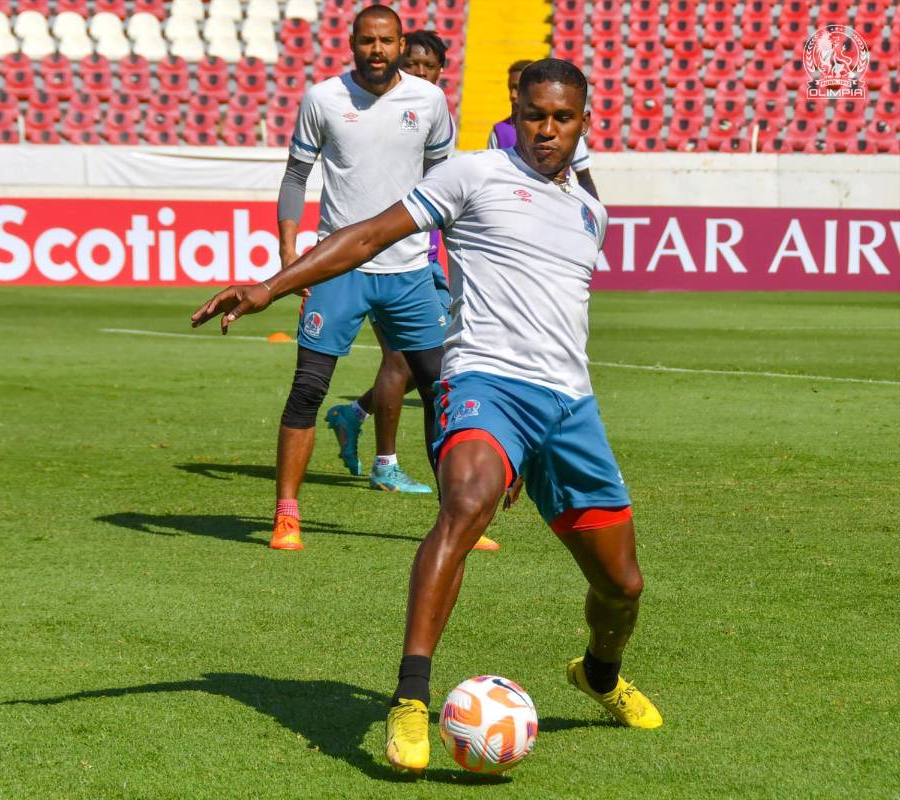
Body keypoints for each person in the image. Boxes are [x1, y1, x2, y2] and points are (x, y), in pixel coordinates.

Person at [191, 58, 662, 772]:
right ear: (518, 112)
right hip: (487, 384)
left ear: (584, 123)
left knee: (621, 586)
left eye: (563, 118)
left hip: (570, 406)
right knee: (466, 501)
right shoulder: (472, 175)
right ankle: (411, 699)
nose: (547, 130)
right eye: (535, 115)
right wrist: (269, 285)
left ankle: (597, 673)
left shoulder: (589, 214)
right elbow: (369, 235)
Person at [266, 6, 454, 551]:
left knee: (441, 391)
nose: (377, 50)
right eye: (367, 40)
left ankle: (455, 520)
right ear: (352, 43)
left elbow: (445, 185)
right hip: (339, 266)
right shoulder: (323, 98)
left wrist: (455, 260)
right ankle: (286, 513)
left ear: (400, 44)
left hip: (411, 268)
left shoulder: (431, 101)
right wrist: (289, 252)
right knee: (308, 388)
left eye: (387, 41)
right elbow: (296, 175)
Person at [325, 29, 504, 549]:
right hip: (386, 259)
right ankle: (385, 462)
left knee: (422, 364)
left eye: (430, 66)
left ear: (441, 71)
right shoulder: (384, 108)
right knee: (404, 361)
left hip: (427, 256)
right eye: (416, 63)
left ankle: (353, 415)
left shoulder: (431, 112)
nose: (421, 73)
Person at [489, 59, 600, 199]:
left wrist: (593, 211)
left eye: (518, 88)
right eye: (510, 88)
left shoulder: (571, 131)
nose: (513, 94)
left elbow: (584, 176)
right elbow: (492, 176)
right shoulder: (499, 131)